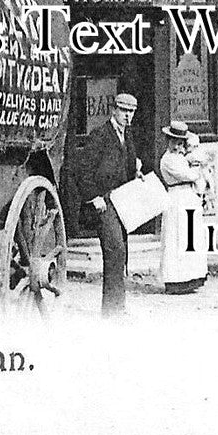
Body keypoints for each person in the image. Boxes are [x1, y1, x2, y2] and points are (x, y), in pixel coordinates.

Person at [78, 92, 141, 317]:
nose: (128, 116)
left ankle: (117, 307)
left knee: (120, 252)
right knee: (115, 250)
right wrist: (93, 196)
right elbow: (82, 169)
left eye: (131, 112)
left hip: (122, 201)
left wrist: (137, 171)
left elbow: (128, 164)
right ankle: (112, 310)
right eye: (124, 111)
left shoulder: (127, 135)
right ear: (114, 110)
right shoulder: (100, 135)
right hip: (104, 202)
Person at [158, 120, 206, 295]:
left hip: (189, 197)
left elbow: (198, 175)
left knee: (190, 238)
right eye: (174, 142)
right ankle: (175, 280)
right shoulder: (168, 159)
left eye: (181, 143)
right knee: (176, 238)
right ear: (168, 141)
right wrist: (195, 169)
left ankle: (192, 276)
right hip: (177, 198)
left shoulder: (181, 157)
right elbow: (190, 174)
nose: (178, 146)